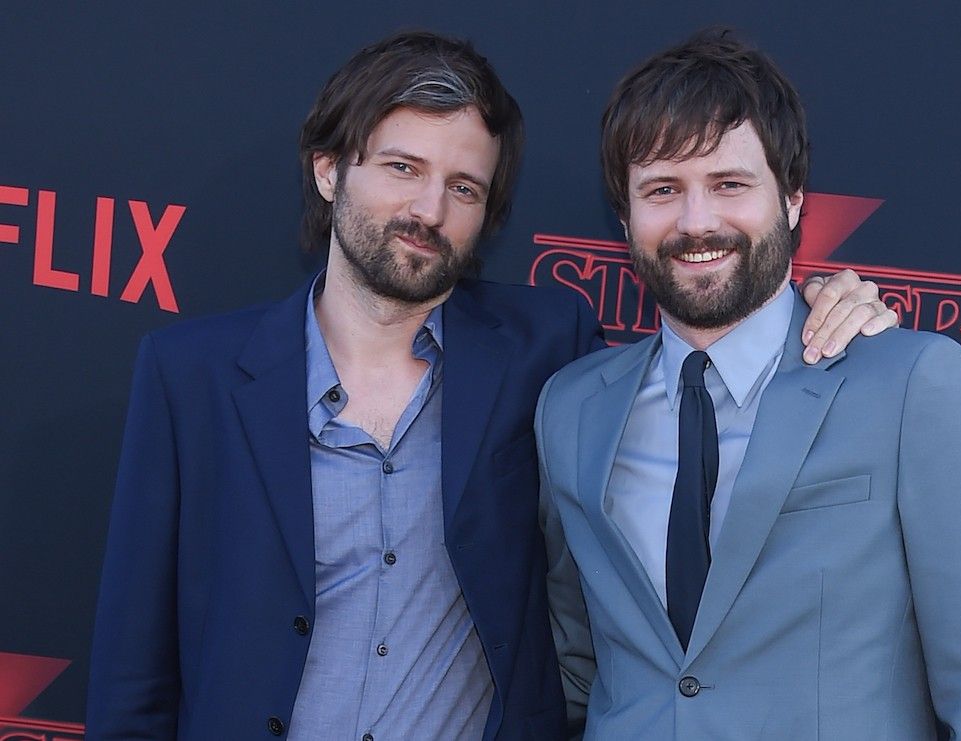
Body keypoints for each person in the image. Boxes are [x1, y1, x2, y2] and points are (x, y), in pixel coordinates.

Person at [85, 30, 892, 740]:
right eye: (403, 168)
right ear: (330, 170)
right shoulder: (190, 375)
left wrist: (826, 301)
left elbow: (708, 344)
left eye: (463, 188)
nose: (429, 208)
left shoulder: (550, 350)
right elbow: (133, 672)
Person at [537, 30, 961, 740]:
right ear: (624, 216)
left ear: (795, 198)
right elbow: (577, 665)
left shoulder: (910, 385)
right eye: (662, 190)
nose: (696, 220)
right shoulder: (569, 409)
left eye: (729, 184)